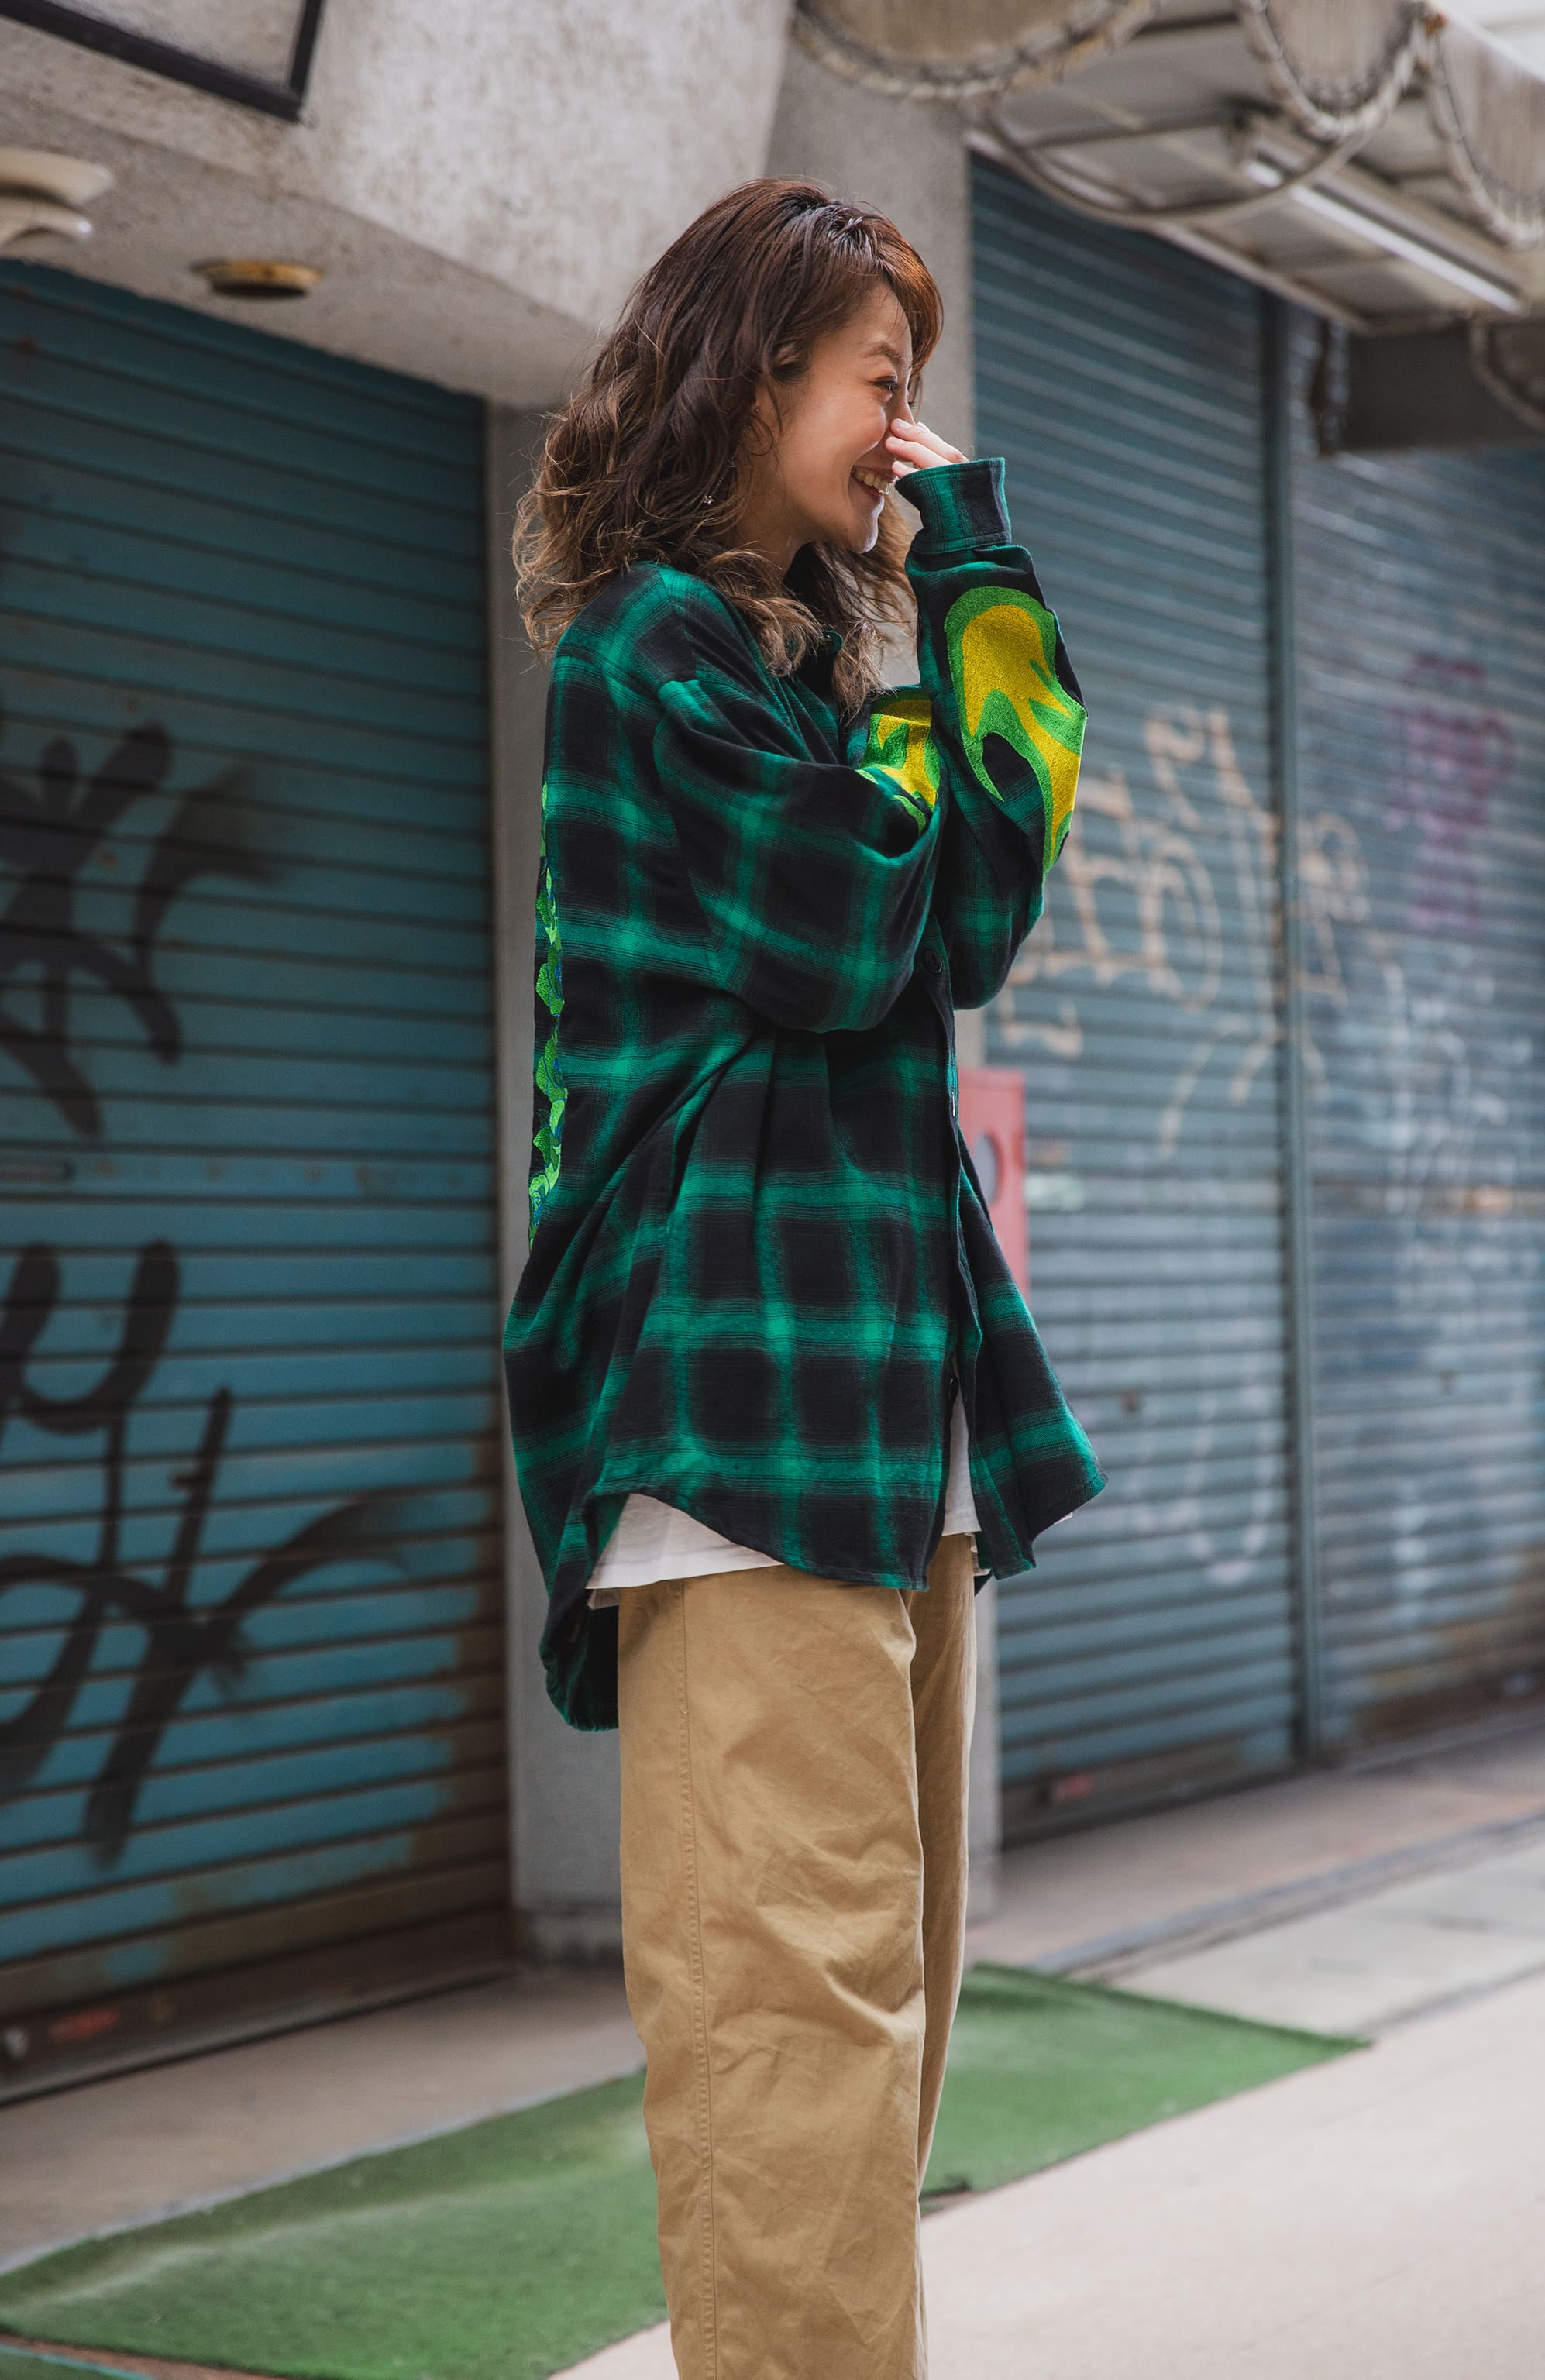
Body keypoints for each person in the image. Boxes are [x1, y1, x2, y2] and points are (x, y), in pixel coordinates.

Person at [504, 178, 1104, 2380]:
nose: (903, 430)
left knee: (882, 2015)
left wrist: (968, 594)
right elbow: (864, 927)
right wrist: (948, 617)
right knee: (791, 2023)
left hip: (875, 1419)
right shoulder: (651, 652)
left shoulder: (809, 670)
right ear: (753, 374)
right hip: (743, 1427)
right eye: (879, 379)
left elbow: (977, 908)